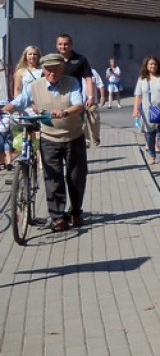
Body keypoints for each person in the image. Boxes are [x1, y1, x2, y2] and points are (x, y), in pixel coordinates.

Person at [2, 53, 87, 231]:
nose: (52, 73)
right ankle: (58, 218)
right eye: (48, 70)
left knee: (76, 177)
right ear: (43, 70)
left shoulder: (71, 82)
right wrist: (4, 111)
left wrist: (64, 112)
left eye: (56, 69)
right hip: (49, 137)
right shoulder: (34, 87)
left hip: (73, 136)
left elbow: (79, 104)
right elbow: (18, 102)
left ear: (62, 69)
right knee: (52, 178)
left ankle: (76, 212)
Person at [133, 56, 160, 166]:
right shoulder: (142, 79)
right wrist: (135, 110)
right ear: (146, 66)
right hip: (147, 111)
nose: (153, 66)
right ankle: (152, 155)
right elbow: (138, 96)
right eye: (150, 64)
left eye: (155, 64)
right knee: (150, 135)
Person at [57, 33, 97, 146]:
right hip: (58, 98)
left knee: (77, 127)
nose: (63, 47)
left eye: (65, 44)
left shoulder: (80, 59)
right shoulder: (54, 59)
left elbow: (88, 78)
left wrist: (90, 97)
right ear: (56, 46)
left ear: (71, 45)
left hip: (75, 99)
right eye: (60, 44)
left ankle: (77, 151)